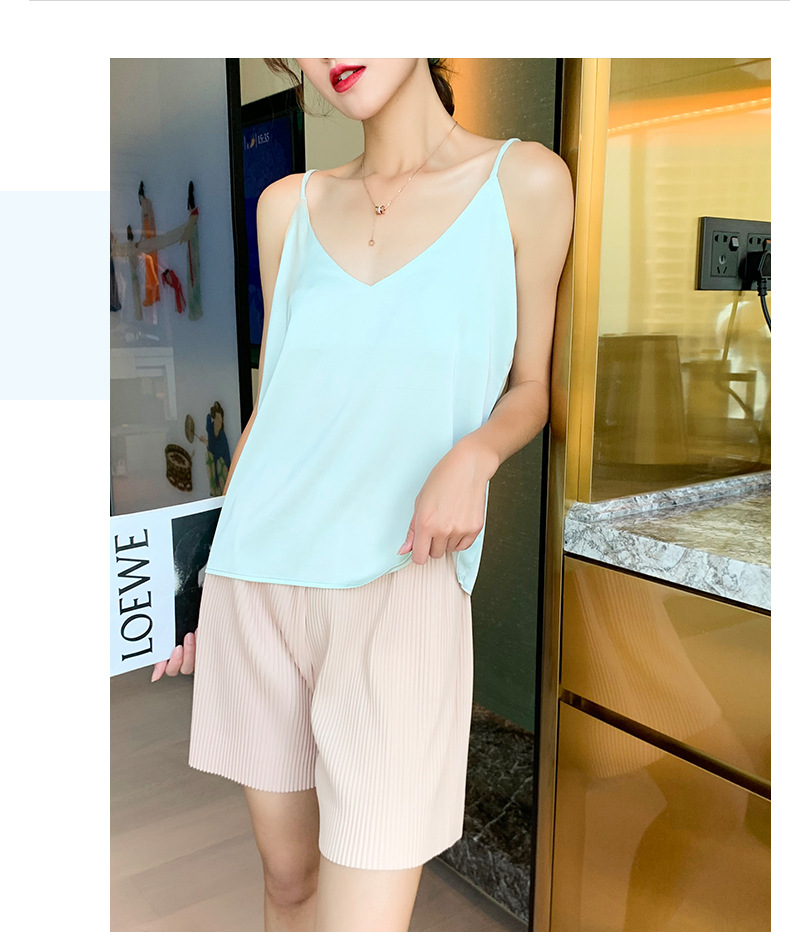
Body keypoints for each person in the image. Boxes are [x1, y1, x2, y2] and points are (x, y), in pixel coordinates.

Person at [151, 58, 573, 932]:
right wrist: (201, 581)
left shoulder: (525, 181)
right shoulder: (286, 207)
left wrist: (477, 454)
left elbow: (532, 385)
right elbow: (274, 409)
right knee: (288, 885)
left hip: (402, 584)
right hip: (258, 582)